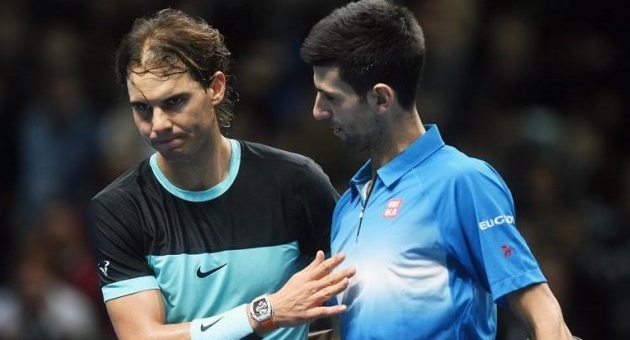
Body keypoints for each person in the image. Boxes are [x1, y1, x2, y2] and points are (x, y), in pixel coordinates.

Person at [300, 0, 577, 339]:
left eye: (331, 97)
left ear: (381, 98)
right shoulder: (347, 205)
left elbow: (544, 313)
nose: (318, 112)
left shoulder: (463, 182)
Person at [87, 9, 355, 340]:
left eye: (174, 102)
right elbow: (143, 336)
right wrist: (263, 311)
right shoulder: (119, 209)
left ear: (215, 88)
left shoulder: (297, 182)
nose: (157, 125)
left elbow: (351, 291)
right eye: (142, 108)